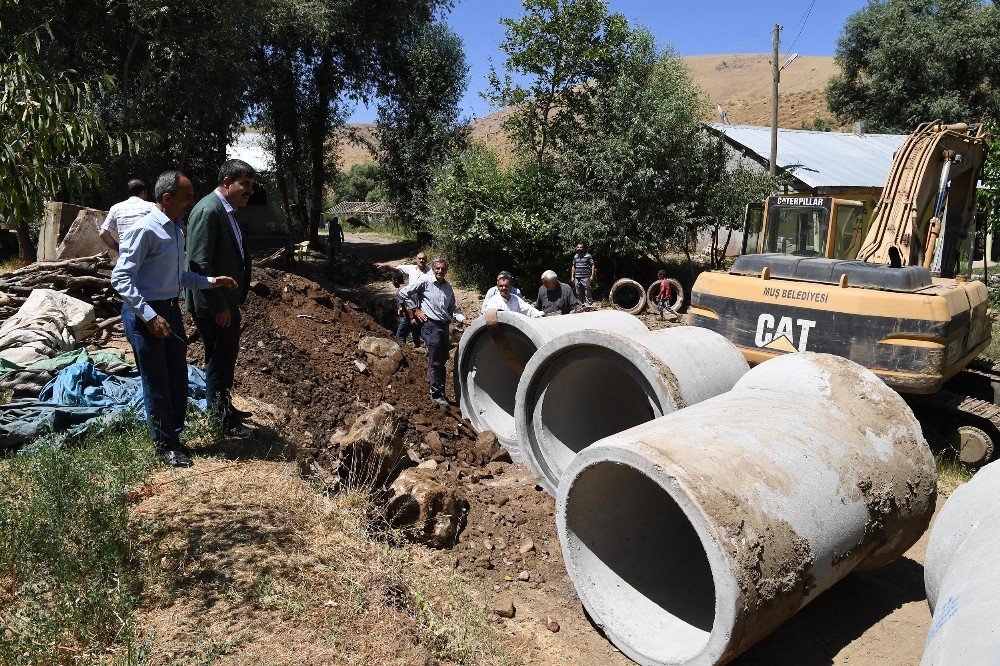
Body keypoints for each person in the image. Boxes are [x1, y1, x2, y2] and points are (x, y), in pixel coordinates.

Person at [111, 171, 239, 468]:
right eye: (188, 197)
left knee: (178, 378)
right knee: (157, 381)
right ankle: (165, 445)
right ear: (167, 198)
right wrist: (149, 317)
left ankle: (175, 436)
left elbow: (178, 276)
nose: (192, 203)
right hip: (146, 313)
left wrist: (210, 281)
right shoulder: (146, 229)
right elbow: (120, 278)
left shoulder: (175, 229)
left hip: (169, 310)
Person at [185, 159, 255, 433]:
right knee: (218, 358)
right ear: (227, 182)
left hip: (226, 300)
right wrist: (218, 305)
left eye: (251, 185)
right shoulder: (209, 211)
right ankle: (220, 419)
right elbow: (199, 263)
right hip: (214, 304)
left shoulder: (226, 210)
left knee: (227, 356)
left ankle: (223, 405)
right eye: (245, 185)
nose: (249, 191)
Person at [402, 258, 465, 406]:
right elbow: (404, 293)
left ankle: (441, 392)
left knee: (442, 360)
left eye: (443, 269)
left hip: (444, 326)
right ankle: (436, 393)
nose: (440, 271)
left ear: (446, 271)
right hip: (430, 324)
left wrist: (462, 319)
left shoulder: (448, 288)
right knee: (435, 360)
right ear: (433, 269)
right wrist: (416, 310)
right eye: (437, 269)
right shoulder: (425, 281)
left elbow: (452, 309)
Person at [99, 179, 156, 253]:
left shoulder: (115, 208)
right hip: (148, 255)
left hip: (125, 255)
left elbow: (103, 234)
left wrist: (119, 249)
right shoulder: (152, 207)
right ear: (143, 192)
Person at [392, 269, 420, 347]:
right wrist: (401, 309)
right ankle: (419, 348)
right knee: (416, 332)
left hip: (410, 316)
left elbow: (408, 306)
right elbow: (413, 301)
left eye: (393, 280)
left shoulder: (399, 292)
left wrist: (411, 318)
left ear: (396, 280)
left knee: (399, 335)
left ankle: (404, 352)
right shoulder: (410, 287)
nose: (392, 282)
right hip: (419, 313)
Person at [570, 241, 595, 307]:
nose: (579, 248)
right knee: (578, 293)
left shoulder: (588, 256)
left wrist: (592, 276)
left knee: (587, 292)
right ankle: (581, 306)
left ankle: (589, 306)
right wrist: (572, 277)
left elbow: (592, 265)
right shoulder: (575, 256)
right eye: (578, 247)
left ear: (584, 248)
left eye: (581, 247)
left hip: (586, 277)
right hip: (577, 277)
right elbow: (573, 266)